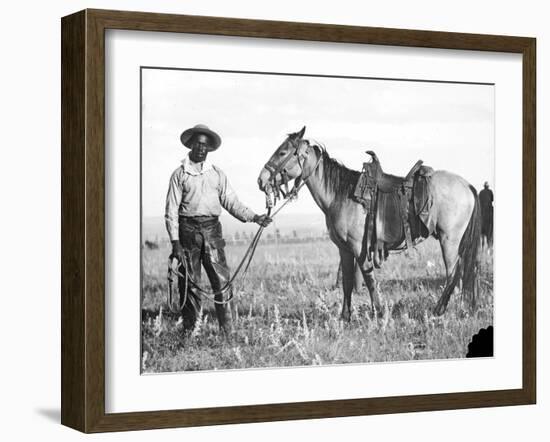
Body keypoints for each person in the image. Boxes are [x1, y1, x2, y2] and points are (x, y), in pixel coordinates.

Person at [165, 124, 271, 333]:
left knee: (222, 279)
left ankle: (228, 331)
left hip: (214, 232)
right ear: (191, 145)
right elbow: (170, 210)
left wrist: (255, 217)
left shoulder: (217, 174)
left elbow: (232, 202)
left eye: (205, 145)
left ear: (209, 149)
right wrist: (175, 243)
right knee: (189, 283)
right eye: (198, 144)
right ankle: (191, 331)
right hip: (187, 232)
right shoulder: (179, 174)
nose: (201, 148)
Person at [479, 181, 494, 248]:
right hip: (489, 213)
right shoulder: (490, 192)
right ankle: (489, 246)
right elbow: (492, 199)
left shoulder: (481, 192)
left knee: (482, 232)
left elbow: (478, 200)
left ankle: (482, 246)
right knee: (489, 230)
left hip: (482, 213)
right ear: (488, 186)